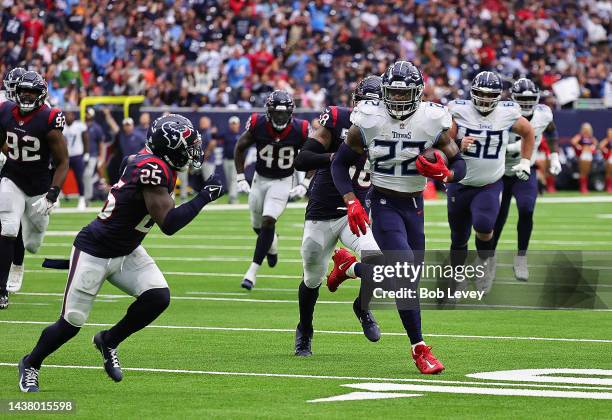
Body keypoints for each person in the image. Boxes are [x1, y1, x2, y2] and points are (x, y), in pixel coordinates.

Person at [17, 114, 225, 392]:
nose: (190, 153)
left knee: (158, 296)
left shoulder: (152, 163)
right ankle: (31, 363)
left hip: (126, 250)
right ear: (168, 147)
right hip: (95, 250)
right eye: (185, 146)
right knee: (71, 323)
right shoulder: (152, 167)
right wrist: (205, 195)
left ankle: (109, 340)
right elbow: (170, 224)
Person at [329, 61, 466, 374]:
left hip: (415, 206)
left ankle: (351, 268)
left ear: (417, 93)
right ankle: (420, 349)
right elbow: (339, 165)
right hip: (383, 201)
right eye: (392, 93)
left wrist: (446, 173)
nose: (398, 100)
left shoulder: (432, 119)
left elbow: (461, 165)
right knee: (404, 277)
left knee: (404, 280)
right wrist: (351, 200)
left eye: (405, 94)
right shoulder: (369, 119)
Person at [292, 76, 383, 357]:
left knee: (379, 264)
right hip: (321, 211)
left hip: (354, 212)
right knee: (312, 278)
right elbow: (302, 159)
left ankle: (362, 307)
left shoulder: (395, 130)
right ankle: (305, 329)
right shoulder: (338, 120)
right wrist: (333, 157)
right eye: (364, 103)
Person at [447, 71, 535, 293]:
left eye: (490, 95)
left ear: (498, 96)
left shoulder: (507, 113)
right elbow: (443, 142)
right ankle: (457, 276)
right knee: (459, 237)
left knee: (485, 226)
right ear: (472, 93)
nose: (485, 99)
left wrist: (525, 161)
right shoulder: (458, 110)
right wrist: (458, 143)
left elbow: (528, 131)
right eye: (480, 94)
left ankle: (485, 264)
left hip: (489, 183)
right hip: (460, 182)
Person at [0, 71, 69, 308]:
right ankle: (1, 290)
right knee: (8, 228)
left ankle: (21, 262)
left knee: (33, 243)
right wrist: (4, 153)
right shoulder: (5, 110)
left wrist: (53, 193)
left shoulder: (49, 118)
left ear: (41, 95)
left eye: (32, 92)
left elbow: (62, 161)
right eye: (23, 91)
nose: (27, 96)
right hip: (12, 177)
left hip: (39, 184)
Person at [234, 90, 309, 290]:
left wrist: (304, 184)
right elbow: (240, 147)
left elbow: (312, 154)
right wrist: (240, 176)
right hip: (259, 180)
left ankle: (252, 272)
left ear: (291, 113)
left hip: (283, 181)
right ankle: (272, 242)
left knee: (269, 219)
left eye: (284, 113)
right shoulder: (258, 124)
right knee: (258, 226)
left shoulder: (300, 129)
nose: (280, 117)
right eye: (276, 112)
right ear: (269, 112)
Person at [492, 78, 561, 281]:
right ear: (513, 98)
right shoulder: (502, 113)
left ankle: (521, 258)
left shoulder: (543, 114)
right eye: (522, 99)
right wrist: (515, 148)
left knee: (527, 209)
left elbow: (552, 131)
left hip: (525, 171)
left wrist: (554, 155)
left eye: (531, 99)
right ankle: (489, 258)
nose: (527, 103)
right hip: (500, 171)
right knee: (497, 216)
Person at [63, 111, 89, 210]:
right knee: (59, 176)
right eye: (67, 114)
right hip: (65, 156)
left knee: (79, 178)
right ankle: (55, 199)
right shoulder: (62, 126)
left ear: (74, 116)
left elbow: (86, 139)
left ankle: (82, 199)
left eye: (70, 114)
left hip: (77, 155)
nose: (68, 116)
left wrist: (86, 154)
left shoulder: (79, 125)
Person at [83, 108, 108, 203]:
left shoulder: (96, 127)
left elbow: (101, 143)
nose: (87, 115)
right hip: (83, 155)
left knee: (88, 175)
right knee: (85, 176)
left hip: (93, 155)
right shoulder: (82, 126)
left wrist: (101, 156)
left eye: (88, 114)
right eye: (86, 114)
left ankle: (87, 197)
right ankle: (86, 195)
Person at [571, 122, 598, 193]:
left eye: (587, 129)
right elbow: (573, 141)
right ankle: (582, 187)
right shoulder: (580, 136)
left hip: (589, 155)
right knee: (582, 171)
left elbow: (596, 144)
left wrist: (592, 148)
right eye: (585, 129)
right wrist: (579, 147)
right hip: (582, 155)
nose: (586, 130)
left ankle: (585, 187)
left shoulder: (591, 138)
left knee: (587, 171)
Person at [222, 116, 241, 204]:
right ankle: (231, 197)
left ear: (238, 125)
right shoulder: (226, 134)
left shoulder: (241, 135)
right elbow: (216, 136)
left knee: (233, 179)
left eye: (235, 124)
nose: (233, 126)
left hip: (236, 160)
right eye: (232, 124)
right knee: (229, 179)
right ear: (230, 125)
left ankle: (233, 197)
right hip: (226, 160)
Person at [599, 128, 612, 193]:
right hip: (609, 158)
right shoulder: (607, 140)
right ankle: (608, 187)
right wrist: (605, 150)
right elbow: (600, 146)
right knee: (609, 172)